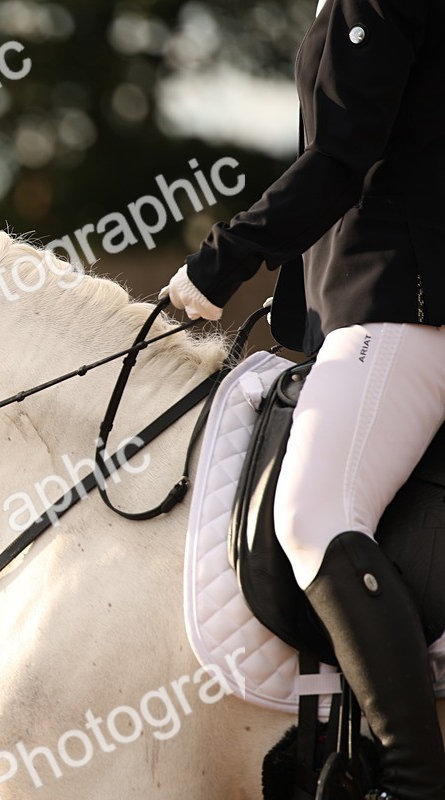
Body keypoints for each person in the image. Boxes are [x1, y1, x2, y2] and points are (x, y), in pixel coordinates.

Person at [160, 0, 445, 797]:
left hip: (401, 299)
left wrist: (222, 262)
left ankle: (416, 782)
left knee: (313, 515)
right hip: (379, 297)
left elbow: (342, 154)